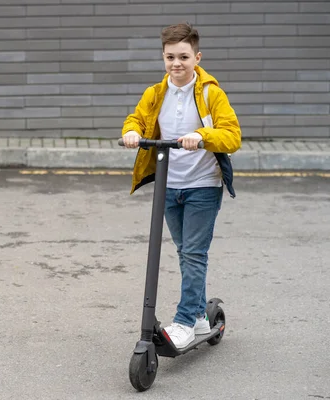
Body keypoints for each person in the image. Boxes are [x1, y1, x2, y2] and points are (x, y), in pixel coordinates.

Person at [121, 22, 241, 349]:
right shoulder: (155, 93)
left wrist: (202, 136)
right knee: (185, 252)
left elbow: (232, 136)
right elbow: (137, 119)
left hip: (203, 185)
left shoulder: (209, 93)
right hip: (169, 186)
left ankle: (186, 320)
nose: (177, 63)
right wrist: (132, 132)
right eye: (170, 57)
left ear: (197, 58)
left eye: (184, 57)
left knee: (193, 252)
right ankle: (202, 318)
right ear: (163, 58)